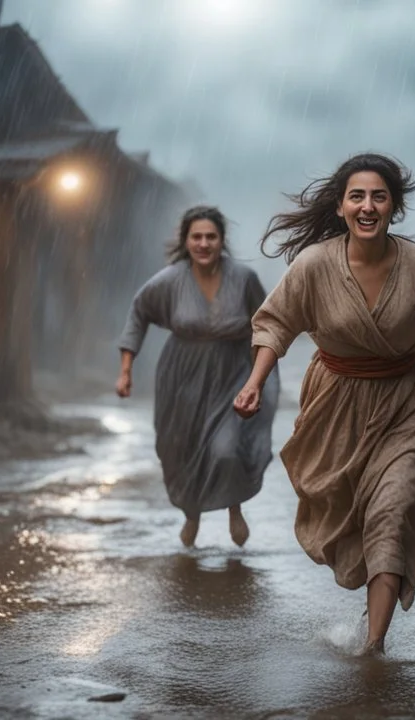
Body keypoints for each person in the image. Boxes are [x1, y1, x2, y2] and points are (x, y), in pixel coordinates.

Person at [234, 153, 415, 655]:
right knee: (353, 513)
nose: (368, 205)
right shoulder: (314, 265)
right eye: (358, 196)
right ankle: (375, 598)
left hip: (407, 402)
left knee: (394, 510)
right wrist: (254, 381)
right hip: (335, 404)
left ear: (393, 207)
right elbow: (275, 324)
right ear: (341, 207)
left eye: (379, 196)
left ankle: (374, 643)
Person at [117, 205, 279, 548]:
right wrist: (126, 370)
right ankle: (192, 514)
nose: (204, 244)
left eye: (211, 237)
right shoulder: (170, 280)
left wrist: (259, 375)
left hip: (233, 371)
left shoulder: (244, 278)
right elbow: (139, 312)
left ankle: (234, 507)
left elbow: (268, 322)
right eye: (197, 237)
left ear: (221, 241)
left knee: (226, 449)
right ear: (185, 241)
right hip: (182, 377)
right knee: (181, 448)